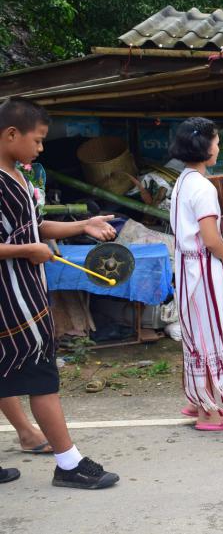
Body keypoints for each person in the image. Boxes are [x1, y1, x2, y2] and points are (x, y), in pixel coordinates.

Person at [0, 97, 119, 488]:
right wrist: (24, 251)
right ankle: (69, 464)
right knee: (41, 376)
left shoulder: (19, 177)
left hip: (26, 291)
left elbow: (36, 228)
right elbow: (27, 242)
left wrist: (83, 225)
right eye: (37, 140)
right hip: (11, 300)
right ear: (11, 134)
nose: (40, 148)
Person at [169, 117, 223, 431]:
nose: (218, 147)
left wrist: (220, 224)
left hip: (187, 267)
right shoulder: (203, 187)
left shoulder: (183, 181)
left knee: (197, 336)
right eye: (216, 142)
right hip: (204, 270)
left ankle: (198, 398)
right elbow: (211, 240)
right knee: (211, 336)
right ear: (205, 147)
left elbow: (202, 228)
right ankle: (210, 413)